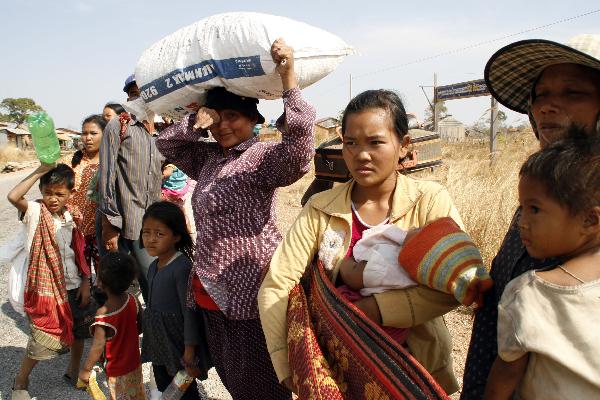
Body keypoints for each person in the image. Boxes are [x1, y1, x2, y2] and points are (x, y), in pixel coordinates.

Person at [258, 89, 463, 396]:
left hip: (412, 370)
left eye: (376, 142)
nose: (361, 154)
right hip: (335, 370)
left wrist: (378, 309)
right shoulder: (320, 207)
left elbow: (459, 281)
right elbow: (277, 284)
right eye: (350, 143)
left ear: (404, 146)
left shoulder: (429, 201)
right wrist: (286, 363)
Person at [155, 38, 314, 399]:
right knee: (230, 377)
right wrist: (196, 122)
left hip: (252, 291)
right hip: (211, 290)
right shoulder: (209, 159)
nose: (223, 126)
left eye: (232, 116)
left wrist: (288, 77)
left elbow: (301, 148)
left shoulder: (262, 158)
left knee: (261, 383)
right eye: (218, 117)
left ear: (253, 119)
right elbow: (166, 145)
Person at [462, 33, 600, 399]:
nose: (547, 107)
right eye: (541, 96)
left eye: (572, 93)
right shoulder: (539, 189)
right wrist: (489, 281)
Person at [484, 130, 600, 399]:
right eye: (521, 208)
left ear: (589, 221)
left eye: (534, 209)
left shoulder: (530, 293)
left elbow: (502, 383)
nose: (521, 222)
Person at [7, 164, 92, 399]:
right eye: (48, 193)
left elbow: (79, 252)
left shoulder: (71, 216)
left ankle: (73, 371)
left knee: (79, 331)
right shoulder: (35, 212)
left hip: (74, 286)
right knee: (41, 338)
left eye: (59, 194)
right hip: (47, 291)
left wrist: (85, 281)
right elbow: (13, 196)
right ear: (41, 190)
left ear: (71, 194)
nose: (52, 199)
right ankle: (21, 382)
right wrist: (39, 171)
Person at [97, 73, 163, 301]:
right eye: (135, 93)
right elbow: (106, 178)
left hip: (152, 222)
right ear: (128, 96)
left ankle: (152, 332)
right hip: (126, 222)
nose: (141, 98)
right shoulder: (119, 125)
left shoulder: (160, 130)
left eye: (146, 92)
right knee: (121, 288)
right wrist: (110, 226)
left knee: (152, 283)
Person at [140, 201, 211, 399]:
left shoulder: (181, 268)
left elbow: (189, 312)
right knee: (166, 389)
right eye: (146, 232)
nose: (151, 239)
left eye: (159, 234)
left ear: (177, 236)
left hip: (176, 344)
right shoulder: (154, 266)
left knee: (184, 391)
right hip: (158, 343)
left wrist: (190, 350)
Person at [78, 253, 145, 400]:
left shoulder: (103, 315)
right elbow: (141, 326)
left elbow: (97, 347)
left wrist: (86, 370)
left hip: (116, 370)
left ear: (100, 282)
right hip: (134, 362)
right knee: (136, 394)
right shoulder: (133, 300)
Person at [67, 115, 105, 273]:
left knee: (104, 277)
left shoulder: (110, 161)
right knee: (76, 277)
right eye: (84, 133)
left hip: (101, 231)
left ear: (105, 134)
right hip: (73, 231)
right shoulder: (70, 161)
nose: (87, 138)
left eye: (93, 133)